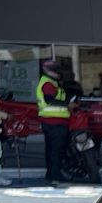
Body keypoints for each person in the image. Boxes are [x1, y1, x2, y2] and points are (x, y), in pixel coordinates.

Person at [35, 58, 69, 187]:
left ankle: (51, 174)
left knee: (51, 149)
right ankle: (55, 175)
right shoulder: (48, 84)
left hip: (51, 121)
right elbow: (50, 100)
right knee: (56, 150)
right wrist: (68, 104)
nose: (59, 72)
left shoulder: (52, 83)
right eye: (56, 70)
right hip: (54, 121)